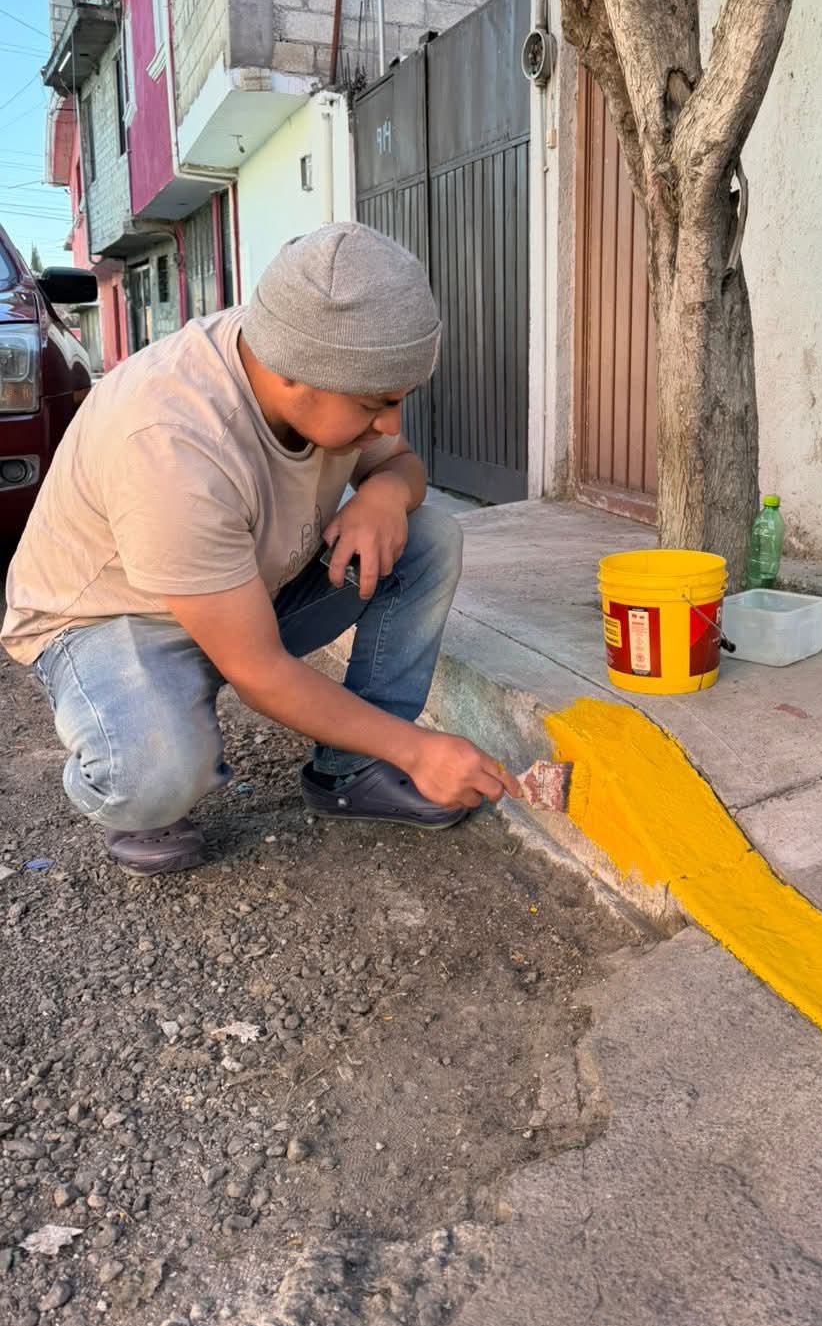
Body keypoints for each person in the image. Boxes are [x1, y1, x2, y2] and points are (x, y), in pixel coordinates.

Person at [1, 222, 520, 876]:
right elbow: (259, 672)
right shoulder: (171, 439)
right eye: (377, 404)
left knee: (427, 539)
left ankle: (353, 769)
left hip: (245, 588)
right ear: (295, 376)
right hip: (112, 618)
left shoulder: (318, 355)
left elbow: (401, 463)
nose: (390, 423)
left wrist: (386, 496)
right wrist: (419, 750)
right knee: (156, 770)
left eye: (400, 400)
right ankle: (120, 758)